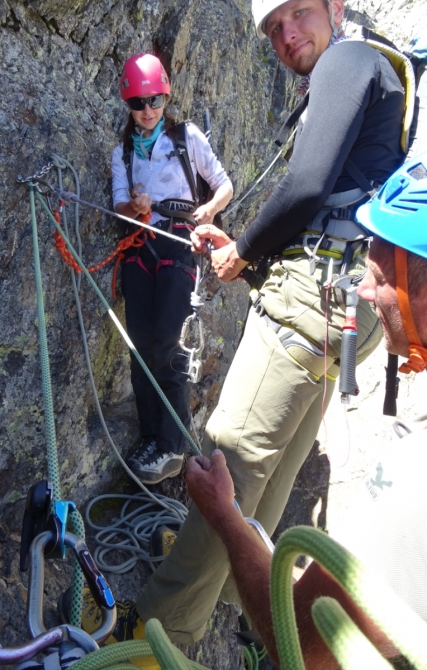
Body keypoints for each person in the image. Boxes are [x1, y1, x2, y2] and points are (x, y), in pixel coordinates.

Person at [134, 0, 407, 644]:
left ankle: (157, 636)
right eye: (273, 29)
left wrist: (246, 252)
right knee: (276, 458)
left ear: (335, 7)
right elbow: (334, 201)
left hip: (313, 297)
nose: (286, 35)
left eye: (298, 14)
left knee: (232, 457)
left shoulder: (349, 57)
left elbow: (308, 184)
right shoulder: (386, 72)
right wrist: (249, 259)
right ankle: (245, 593)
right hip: (349, 305)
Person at [184, 151, 427, 667]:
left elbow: (306, 642)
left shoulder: (411, 483)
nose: (362, 289)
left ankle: (161, 624)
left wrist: (225, 518)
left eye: (378, 271)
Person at [112, 53, 233, 485]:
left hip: (179, 246)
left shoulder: (186, 138)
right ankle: (152, 439)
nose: (148, 110)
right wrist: (135, 206)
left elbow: (224, 185)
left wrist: (207, 212)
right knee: (141, 346)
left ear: (166, 96)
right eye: (139, 102)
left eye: (156, 99)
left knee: (169, 341)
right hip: (140, 248)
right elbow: (118, 204)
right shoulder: (122, 153)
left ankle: (173, 445)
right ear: (128, 104)